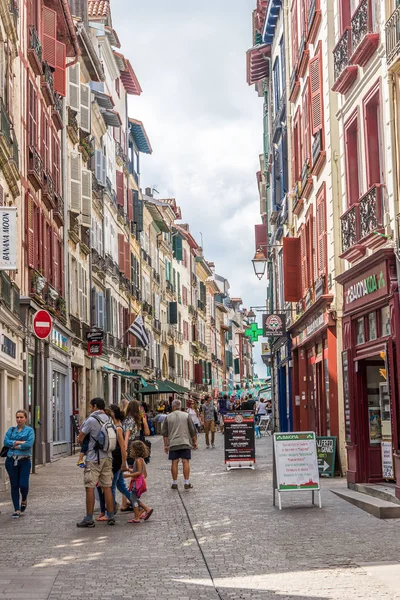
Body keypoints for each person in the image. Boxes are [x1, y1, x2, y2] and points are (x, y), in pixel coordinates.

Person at [76, 398, 115, 528]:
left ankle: (88, 518)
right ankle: (111, 515)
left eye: (90, 406)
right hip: (108, 456)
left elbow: (81, 438)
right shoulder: (109, 418)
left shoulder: (92, 420)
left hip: (94, 457)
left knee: (90, 487)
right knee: (107, 487)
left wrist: (80, 439)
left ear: (94, 406)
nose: (89, 408)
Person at [3, 410, 35, 518]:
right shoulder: (11, 430)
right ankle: (16, 509)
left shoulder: (30, 430)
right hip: (11, 461)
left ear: (26, 419)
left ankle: (24, 498)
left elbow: (29, 444)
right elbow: (5, 441)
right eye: (17, 417)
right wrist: (18, 442)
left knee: (23, 484)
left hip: (24, 461)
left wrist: (16, 444)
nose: (19, 419)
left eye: (21, 417)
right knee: (14, 485)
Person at [162, 399, 198, 489]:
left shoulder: (168, 417)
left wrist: (165, 445)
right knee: (185, 461)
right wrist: (195, 441)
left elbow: (165, 433)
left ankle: (174, 483)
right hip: (185, 441)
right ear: (180, 406)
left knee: (174, 462)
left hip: (173, 443)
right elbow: (192, 430)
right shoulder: (186, 416)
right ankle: (186, 482)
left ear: (173, 407)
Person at [123, 440, 153, 523]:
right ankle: (146, 509)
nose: (130, 451)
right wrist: (129, 469)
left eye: (132, 449)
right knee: (134, 498)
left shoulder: (138, 460)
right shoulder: (141, 460)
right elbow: (144, 473)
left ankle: (137, 516)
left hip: (137, 483)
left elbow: (139, 472)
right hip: (139, 481)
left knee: (133, 499)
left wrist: (128, 475)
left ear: (136, 450)